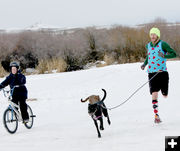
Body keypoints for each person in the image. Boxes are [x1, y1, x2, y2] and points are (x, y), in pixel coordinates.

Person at [141, 27, 176, 123]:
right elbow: (149, 56)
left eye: (154, 34)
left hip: (162, 73)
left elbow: (174, 54)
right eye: (151, 34)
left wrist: (164, 55)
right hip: (151, 73)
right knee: (154, 93)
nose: (152, 36)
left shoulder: (163, 44)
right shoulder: (148, 45)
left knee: (165, 95)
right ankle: (156, 116)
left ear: (157, 35)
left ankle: (164, 92)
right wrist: (144, 64)